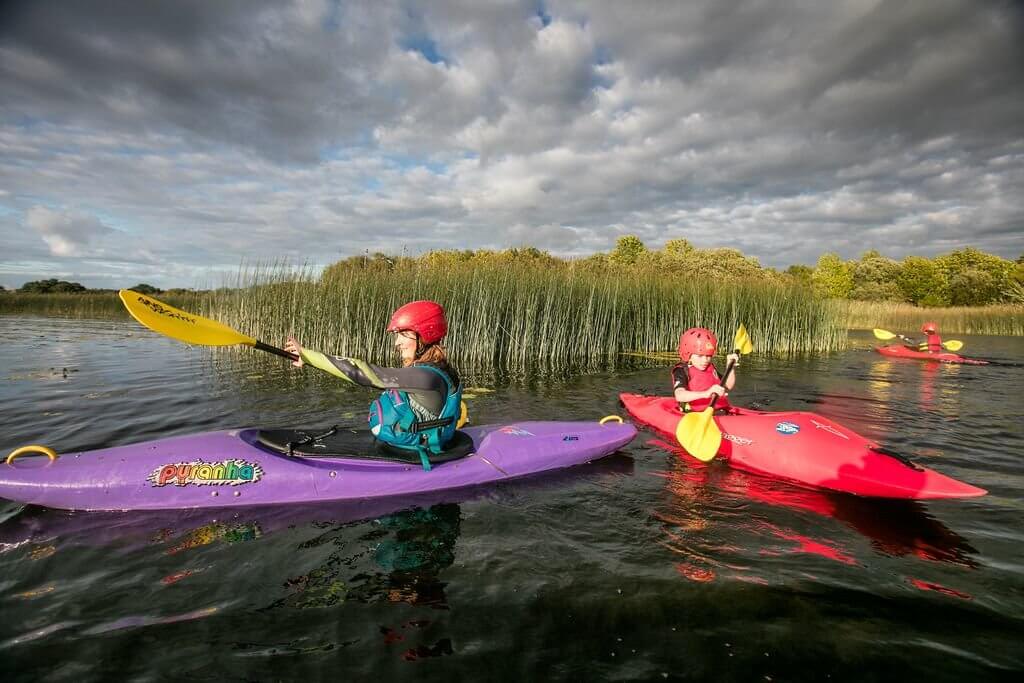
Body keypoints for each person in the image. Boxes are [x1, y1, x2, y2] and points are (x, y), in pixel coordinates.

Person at [283, 300, 462, 470]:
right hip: (410, 444)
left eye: (403, 334)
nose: (397, 343)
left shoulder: (425, 376)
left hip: (420, 453)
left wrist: (308, 355)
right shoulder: (436, 369)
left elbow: (364, 373)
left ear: (424, 335)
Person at [671, 327, 739, 413]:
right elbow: (679, 395)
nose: (705, 360)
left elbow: (728, 385)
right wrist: (706, 393)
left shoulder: (710, 367)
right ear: (688, 354)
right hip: (694, 414)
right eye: (700, 356)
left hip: (720, 410)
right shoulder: (681, 370)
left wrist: (730, 366)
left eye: (708, 356)